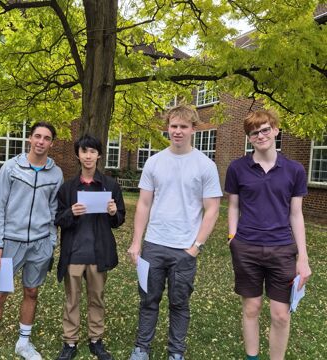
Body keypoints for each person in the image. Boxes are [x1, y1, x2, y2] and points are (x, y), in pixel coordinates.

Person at [127, 104, 222, 360]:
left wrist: (196, 247)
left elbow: (212, 209)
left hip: (184, 250)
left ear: (193, 129)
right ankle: (141, 348)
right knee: (148, 301)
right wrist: (137, 243)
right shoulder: (154, 162)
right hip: (154, 246)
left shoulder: (205, 166)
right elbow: (144, 204)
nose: (177, 131)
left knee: (179, 304)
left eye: (183, 126)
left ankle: (176, 353)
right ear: (167, 128)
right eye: (173, 126)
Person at [224, 109, 311, 360]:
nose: (260, 135)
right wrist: (232, 237)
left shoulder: (294, 170)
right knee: (252, 308)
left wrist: (302, 257)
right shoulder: (237, 168)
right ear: (249, 138)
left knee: (281, 315)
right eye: (254, 133)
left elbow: (296, 214)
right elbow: (233, 206)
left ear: (275, 130)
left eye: (264, 129)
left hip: (283, 249)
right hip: (247, 248)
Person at [0, 121, 63, 360]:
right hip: (10, 243)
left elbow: (54, 209)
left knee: (32, 291)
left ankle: (23, 343)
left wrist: (51, 242)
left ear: (51, 143)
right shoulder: (11, 168)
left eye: (46, 138)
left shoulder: (56, 173)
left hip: (40, 244)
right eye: (37, 136)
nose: (41, 141)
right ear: (29, 139)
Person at [54, 134, 125, 360]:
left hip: (99, 253)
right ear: (78, 155)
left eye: (92, 151)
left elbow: (119, 219)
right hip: (74, 252)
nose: (88, 156)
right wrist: (70, 213)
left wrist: (114, 213)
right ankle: (70, 342)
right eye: (84, 151)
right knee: (71, 299)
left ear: (99, 155)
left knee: (97, 298)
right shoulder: (67, 188)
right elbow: (58, 218)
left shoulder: (110, 185)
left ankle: (96, 339)